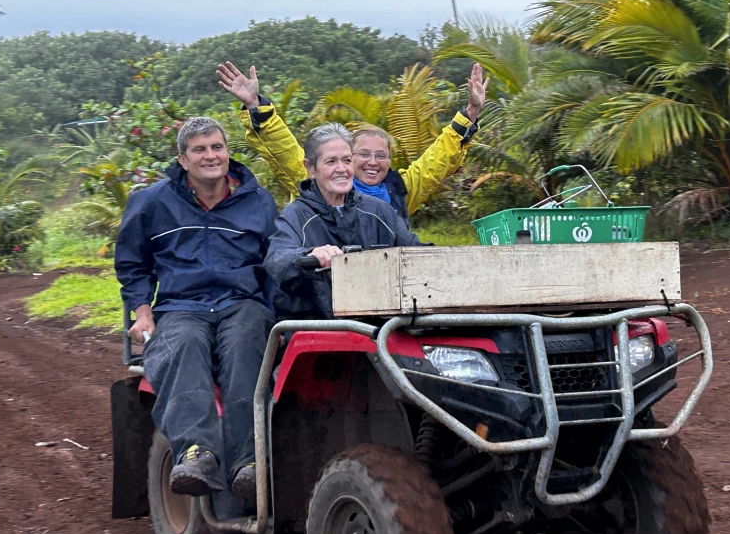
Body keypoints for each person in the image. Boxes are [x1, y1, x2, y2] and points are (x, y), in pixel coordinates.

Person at [114, 117, 278, 502]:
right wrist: (142, 312)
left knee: (247, 344)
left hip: (242, 303)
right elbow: (132, 263)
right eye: (199, 149)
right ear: (182, 159)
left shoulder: (258, 201)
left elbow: (273, 264)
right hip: (180, 306)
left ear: (228, 152)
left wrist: (280, 314)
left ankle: (249, 463)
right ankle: (195, 453)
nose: (211, 156)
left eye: (217, 147)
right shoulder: (152, 202)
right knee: (181, 345)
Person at [217, 61, 489, 226]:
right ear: (348, 158)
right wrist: (255, 105)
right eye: (363, 154)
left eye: (381, 156)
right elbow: (283, 149)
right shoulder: (320, 183)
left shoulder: (400, 190)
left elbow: (436, 161)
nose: (373, 162)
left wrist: (471, 113)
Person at [264, 123, 422, 319]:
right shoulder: (296, 215)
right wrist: (309, 254)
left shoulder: (379, 211)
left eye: (347, 160)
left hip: (378, 323)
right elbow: (277, 260)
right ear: (311, 167)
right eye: (331, 162)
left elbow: (417, 253)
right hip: (318, 325)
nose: (341, 169)